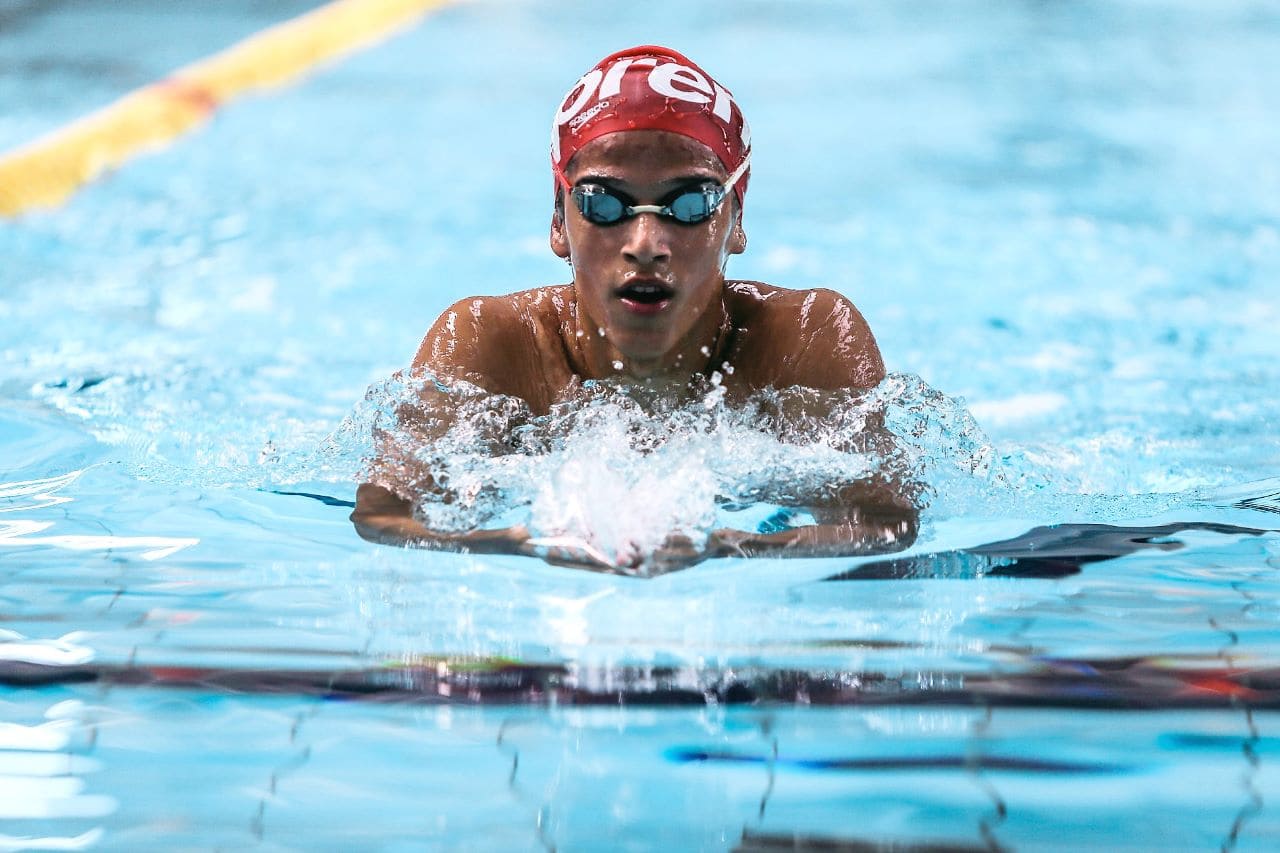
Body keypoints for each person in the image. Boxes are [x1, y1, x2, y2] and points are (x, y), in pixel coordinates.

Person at [352, 45, 918, 570]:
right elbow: (384, 519)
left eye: (690, 203)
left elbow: (886, 525)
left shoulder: (806, 341)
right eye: (604, 203)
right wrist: (514, 548)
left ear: (736, 221)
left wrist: (731, 548)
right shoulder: (489, 346)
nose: (645, 242)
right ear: (558, 221)